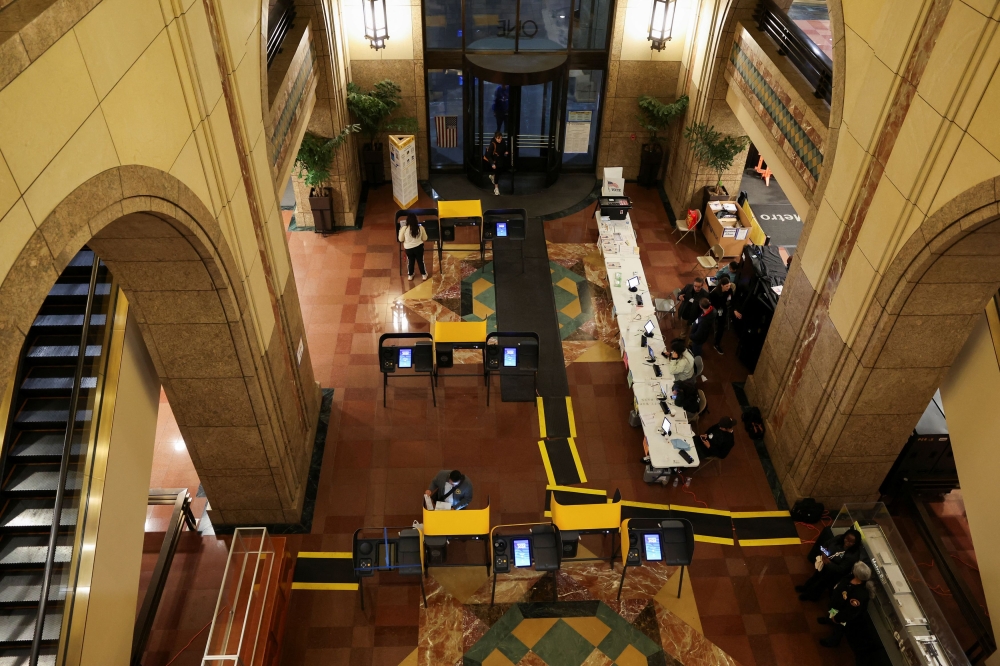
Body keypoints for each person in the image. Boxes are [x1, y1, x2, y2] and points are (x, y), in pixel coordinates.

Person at [817, 562, 874, 647]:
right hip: (836, 605)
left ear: (858, 575)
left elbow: (849, 612)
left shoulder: (859, 594)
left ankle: (833, 641)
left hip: (842, 613)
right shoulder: (851, 577)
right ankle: (829, 619)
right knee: (831, 613)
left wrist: (837, 618)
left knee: (839, 628)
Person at [796, 528, 863, 601]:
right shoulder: (838, 538)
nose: (847, 542)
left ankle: (811, 596)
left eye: (851, 542)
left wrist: (828, 562)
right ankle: (805, 588)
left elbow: (841, 569)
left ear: (855, 543)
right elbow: (826, 544)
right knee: (815, 577)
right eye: (847, 539)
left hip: (834, 572)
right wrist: (824, 554)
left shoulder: (853, 556)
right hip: (825, 561)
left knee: (821, 584)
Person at [709, 276, 742, 355]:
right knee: (720, 325)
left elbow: (732, 300)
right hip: (716, 309)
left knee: (723, 323)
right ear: (722, 285)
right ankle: (716, 344)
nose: (729, 287)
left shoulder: (729, 290)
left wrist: (734, 310)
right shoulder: (714, 293)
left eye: (729, 285)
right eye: (727, 286)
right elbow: (712, 305)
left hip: (724, 308)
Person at [397, 214, 428, 281]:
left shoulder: (404, 228)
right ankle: (424, 275)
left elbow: (400, 239)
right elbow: (425, 238)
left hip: (409, 249)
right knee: (420, 261)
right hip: (419, 247)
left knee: (410, 261)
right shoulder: (420, 228)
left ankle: (410, 275)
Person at [483, 129, 509, 196]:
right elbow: (489, 155)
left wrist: (506, 151)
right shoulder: (492, 144)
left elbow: (504, 148)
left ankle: (493, 177)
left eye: (500, 138)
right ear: (495, 138)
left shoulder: (503, 142)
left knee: (499, 172)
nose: (499, 140)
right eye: (498, 139)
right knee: (497, 173)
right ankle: (496, 188)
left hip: (501, 159)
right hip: (495, 160)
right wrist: (492, 163)